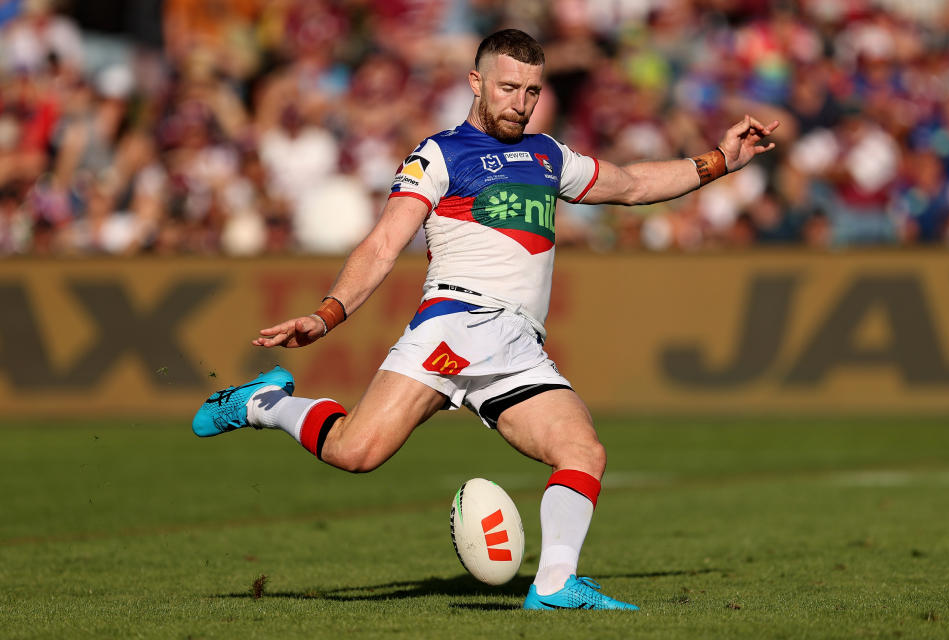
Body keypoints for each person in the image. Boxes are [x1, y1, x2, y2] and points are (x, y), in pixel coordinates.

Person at [192, 29, 778, 610]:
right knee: (355, 453)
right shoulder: (440, 154)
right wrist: (326, 315)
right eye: (507, 88)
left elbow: (630, 184)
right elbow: (382, 245)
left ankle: (553, 586)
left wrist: (722, 160)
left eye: (530, 91)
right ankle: (260, 403)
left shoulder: (548, 156)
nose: (519, 103)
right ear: (476, 82)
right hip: (454, 327)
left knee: (583, 451)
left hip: (519, 342)